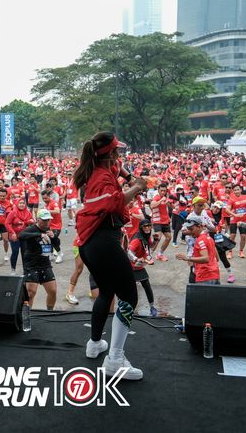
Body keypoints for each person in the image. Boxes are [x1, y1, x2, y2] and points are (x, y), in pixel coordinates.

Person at [74, 131, 147, 380]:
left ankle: (95, 344)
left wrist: (130, 177)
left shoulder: (103, 167)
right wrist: (137, 187)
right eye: (117, 150)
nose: (119, 154)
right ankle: (115, 360)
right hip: (103, 242)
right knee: (129, 297)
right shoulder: (100, 178)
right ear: (110, 153)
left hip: (92, 244)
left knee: (106, 292)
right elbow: (114, 203)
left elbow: (119, 168)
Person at [18, 209, 58, 310]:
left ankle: (49, 311)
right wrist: (39, 234)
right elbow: (21, 236)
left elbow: (57, 246)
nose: (47, 222)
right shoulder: (32, 229)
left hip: (45, 264)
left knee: (53, 291)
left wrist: (54, 237)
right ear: (38, 220)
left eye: (48, 220)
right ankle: (27, 314)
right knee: (31, 293)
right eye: (44, 220)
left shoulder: (49, 229)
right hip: (32, 265)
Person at [175, 215, 220, 284]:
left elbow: (206, 258)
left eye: (191, 229)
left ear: (199, 226)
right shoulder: (209, 238)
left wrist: (187, 258)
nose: (190, 232)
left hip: (205, 277)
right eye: (188, 229)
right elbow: (217, 258)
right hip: (215, 275)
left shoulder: (200, 240)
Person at [127, 220, 158, 316]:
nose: (147, 228)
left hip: (139, 267)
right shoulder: (137, 240)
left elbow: (150, 247)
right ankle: (129, 309)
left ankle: (152, 307)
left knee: (147, 286)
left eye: (149, 226)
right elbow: (128, 252)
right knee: (131, 290)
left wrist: (156, 240)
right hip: (130, 267)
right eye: (145, 226)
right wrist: (136, 259)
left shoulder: (145, 237)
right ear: (141, 228)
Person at [5, 199, 34, 275]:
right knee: (15, 252)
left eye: (23, 203)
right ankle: (13, 269)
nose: (22, 205)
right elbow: (7, 223)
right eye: (20, 203)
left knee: (25, 253)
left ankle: (26, 270)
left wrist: (29, 222)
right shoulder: (13, 213)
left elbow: (33, 221)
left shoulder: (28, 213)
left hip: (24, 236)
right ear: (17, 204)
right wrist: (12, 232)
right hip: (15, 236)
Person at [150, 181, 172, 261]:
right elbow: (152, 205)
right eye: (161, 190)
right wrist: (160, 200)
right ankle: (149, 255)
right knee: (158, 238)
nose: (163, 192)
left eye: (164, 191)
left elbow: (172, 207)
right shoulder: (156, 197)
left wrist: (168, 203)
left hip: (165, 221)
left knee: (168, 237)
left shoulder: (165, 197)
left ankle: (160, 254)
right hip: (157, 221)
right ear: (158, 190)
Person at [41, 189, 63, 263]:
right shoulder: (46, 205)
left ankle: (60, 254)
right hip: (48, 226)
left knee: (53, 240)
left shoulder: (53, 203)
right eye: (43, 198)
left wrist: (47, 211)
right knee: (47, 240)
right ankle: (51, 254)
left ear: (49, 196)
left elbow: (57, 211)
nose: (44, 200)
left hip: (56, 226)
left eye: (45, 198)